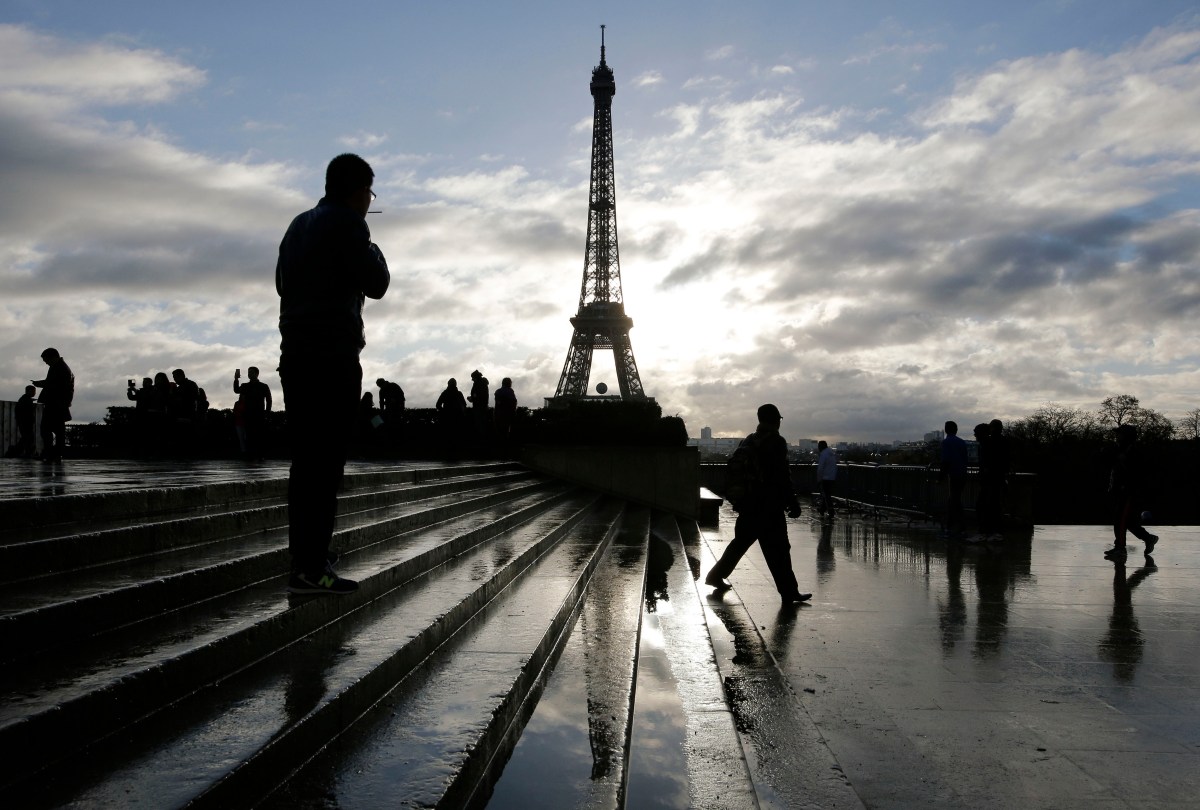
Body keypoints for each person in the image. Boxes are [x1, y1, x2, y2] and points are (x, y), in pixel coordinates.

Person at [276, 153, 390, 595]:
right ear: (358, 191)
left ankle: (307, 557)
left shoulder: (297, 224)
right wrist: (371, 246)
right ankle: (310, 566)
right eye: (370, 193)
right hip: (333, 353)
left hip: (296, 352)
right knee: (326, 462)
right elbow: (377, 283)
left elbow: (283, 284)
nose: (369, 201)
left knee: (306, 460)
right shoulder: (349, 224)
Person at [705, 404, 812, 606]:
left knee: (739, 544)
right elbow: (781, 476)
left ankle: (715, 575)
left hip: (749, 505)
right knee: (779, 550)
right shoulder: (776, 442)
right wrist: (792, 502)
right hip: (769, 506)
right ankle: (789, 592)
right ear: (775, 420)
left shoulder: (749, 440)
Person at [1103, 424, 1158, 560]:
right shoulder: (1121, 450)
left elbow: (1137, 473)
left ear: (1126, 436)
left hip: (1129, 492)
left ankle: (1121, 548)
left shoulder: (1133, 452)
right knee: (1126, 521)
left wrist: (1127, 486)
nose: (1117, 436)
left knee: (1121, 520)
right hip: (1121, 491)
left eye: (1119, 434)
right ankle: (1148, 538)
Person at [31, 348, 73, 462]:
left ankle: (51, 454)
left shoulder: (60, 368)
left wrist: (40, 384)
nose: (46, 362)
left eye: (46, 360)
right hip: (58, 404)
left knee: (47, 429)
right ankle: (54, 454)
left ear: (52, 357)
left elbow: (54, 384)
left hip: (56, 404)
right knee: (56, 431)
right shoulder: (59, 367)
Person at [233, 366, 272, 460]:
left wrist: (267, 412)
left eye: (251, 372)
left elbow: (269, 400)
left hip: (259, 414)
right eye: (248, 372)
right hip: (248, 414)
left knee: (260, 435)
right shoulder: (245, 386)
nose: (249, 374)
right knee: (249, 436)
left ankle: (260, 455)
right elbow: (236, 390)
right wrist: (236, 379)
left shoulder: (263, 386)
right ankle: (250, 455)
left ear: (257, 374)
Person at [940, 420, 968, 538]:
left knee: (953, 501)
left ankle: (953, 527)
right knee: (956, 500)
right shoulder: (962, 442)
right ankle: (956, 527)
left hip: (953, 474)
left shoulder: (946, 443)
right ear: (956, 430)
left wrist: (941, 476)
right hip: (962, 474)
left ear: (946, 430)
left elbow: (945, 461)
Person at [816, 440, 837, 519]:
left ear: (821, 447)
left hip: (825, 478)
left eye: (819, 446)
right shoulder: (831, 453)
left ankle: (831, 511)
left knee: (826, 495)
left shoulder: (823, 455)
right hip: (832, 477)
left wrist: (819, 479)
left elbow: (820, 469)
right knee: (827, 494)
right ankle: (822, 509)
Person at [14, 384, 37, 457]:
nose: (34, 393)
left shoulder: (23, 399)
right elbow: (27, 412)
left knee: (26, 438)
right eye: (33, 391)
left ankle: (22, 452)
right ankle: (23, 452)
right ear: (29, 391)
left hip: (23, 422)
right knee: (28, 438)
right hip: (26, 423)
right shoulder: (26, 400)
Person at [493, 376, 517, 444]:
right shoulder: (510, 391)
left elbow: (498, 403)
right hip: (508, 414)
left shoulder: (498, 391)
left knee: (499, 431)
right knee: (506, 430)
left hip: (498, 414)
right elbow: (514, 402)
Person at [469, 369, 490, 436]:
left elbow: (478, 396)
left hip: (478, 407)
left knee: (479, 424)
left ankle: (481, 438)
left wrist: (472, 399)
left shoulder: (478, 384)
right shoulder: (483, 384)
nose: (472, 379)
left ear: (476, 377)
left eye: (473, 378)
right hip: (483, 406)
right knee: (483, 424)